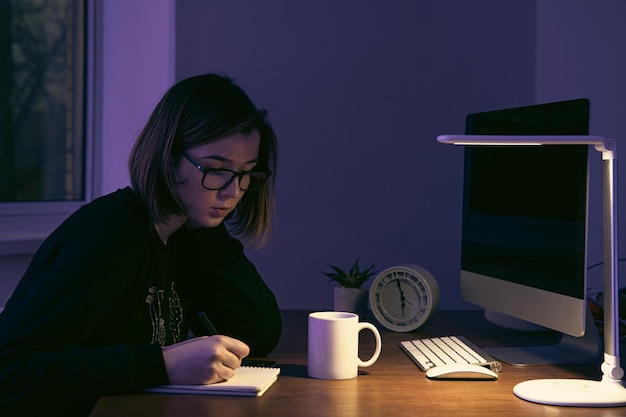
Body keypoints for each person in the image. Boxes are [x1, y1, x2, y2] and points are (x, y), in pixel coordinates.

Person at [0, 73, 282, 416]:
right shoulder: (107, 237)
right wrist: (160, 364)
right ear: (167, 155)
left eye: (245, 173)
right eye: (215, 169)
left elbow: (259, 334)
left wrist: (209, 233)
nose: (232, 191)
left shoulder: (189, 235)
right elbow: (11, 371)